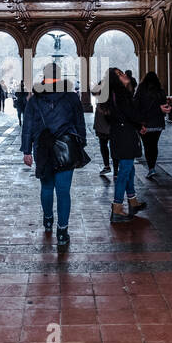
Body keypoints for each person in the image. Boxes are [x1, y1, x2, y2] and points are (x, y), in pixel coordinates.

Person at [22, 62, 87, 248]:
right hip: (65, 147)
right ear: (59, 77)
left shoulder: (34, 99)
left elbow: (28, 126)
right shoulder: (71, 97)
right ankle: (62, 231)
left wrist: (27, 150)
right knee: (64, 191)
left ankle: (48, 220)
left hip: (42, 148)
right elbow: (79, 121)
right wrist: (81, 142)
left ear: (44, 77)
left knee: (47, 187)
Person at [106, 67, 147, 223]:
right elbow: (131, 114)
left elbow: (123, 116)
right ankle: (117, 208)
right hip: (125, 138)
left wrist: (137, 126)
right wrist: (155, 110)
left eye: (121, 72)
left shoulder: (116, 94)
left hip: (121, 135)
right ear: (114, 79)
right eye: (118, 74)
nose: (123, 74)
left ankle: (133, 201)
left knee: (129, 169)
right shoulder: (121, 94)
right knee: (124, 172)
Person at [135, 70, 170, 179]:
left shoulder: (141, 89)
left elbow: (136, 104)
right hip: (157, 123)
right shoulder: (160, 91)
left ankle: (150, 167)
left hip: (145, 122)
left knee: (147, 145)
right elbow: (165, 106)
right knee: (154, 145)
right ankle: (152, 167)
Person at [92, 84, 112, 176]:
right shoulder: (115, 94)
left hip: (102, 126)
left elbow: (93, 91)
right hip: (111, 126)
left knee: (104, 146)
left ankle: (107, 166)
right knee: (114, 147)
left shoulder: (101, 99)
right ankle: (115, 168)